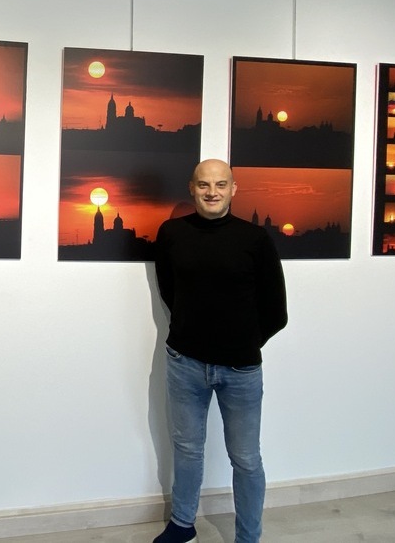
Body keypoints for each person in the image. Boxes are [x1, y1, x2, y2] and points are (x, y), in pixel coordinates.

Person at [152, 158, 288, 543]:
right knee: (187, 449)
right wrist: (191, 333)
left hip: (241, 370)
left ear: (233, 189)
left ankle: (248, 537)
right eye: (204, 184)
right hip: (184, 363)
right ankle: (182, 524)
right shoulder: (172, 233)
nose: (212, 192)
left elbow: (276, 311)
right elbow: (168, 290)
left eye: (221, 184)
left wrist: (241, 343)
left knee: (245, 459)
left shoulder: (255, 239)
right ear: (192, 188)